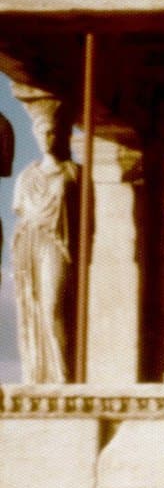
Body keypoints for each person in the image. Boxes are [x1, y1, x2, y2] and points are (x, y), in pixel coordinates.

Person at [13, 104, 77, 383]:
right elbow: (20, 212)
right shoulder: (26, 176)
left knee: (53, 306)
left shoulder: (72, 173)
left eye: (52, 132)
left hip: (56, 243)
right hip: (28, 241)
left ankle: (62, 372)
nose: (47, 138)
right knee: (33, 306)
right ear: (35, 135)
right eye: (42, 132)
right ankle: (39, 372)